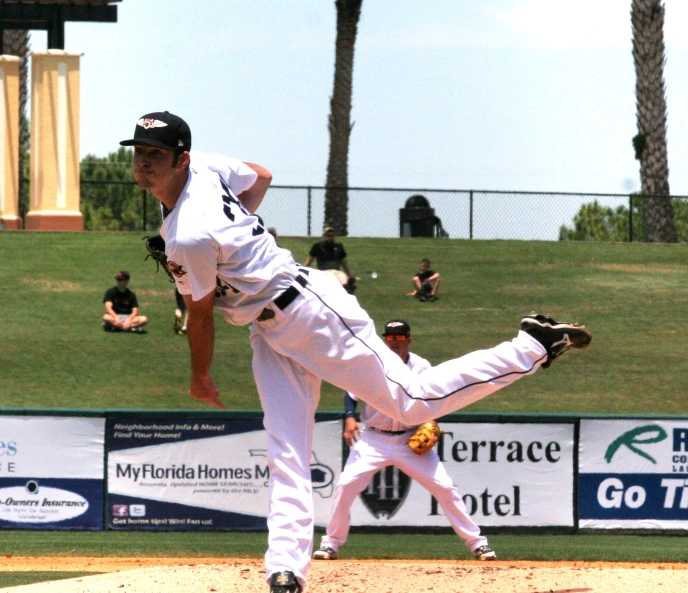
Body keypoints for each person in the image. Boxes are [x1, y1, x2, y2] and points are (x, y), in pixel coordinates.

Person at [121, 110, 592, 593]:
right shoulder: (205, 169)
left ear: (181, 159)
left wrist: (201, 376)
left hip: (308, 311)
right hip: (266, 331)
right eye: (138, 153)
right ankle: (285, 569)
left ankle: (532, 344)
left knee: (413, 402)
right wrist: (243, 228)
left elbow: (198, 315)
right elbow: (260, 176)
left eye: (155, 155)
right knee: (286, 449)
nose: (143, 163)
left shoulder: (188, 235)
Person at [313, 319, 496, 562]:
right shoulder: (372, 362)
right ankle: (331, 544)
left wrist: (431, 421)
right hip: (374, 440)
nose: (394, 342)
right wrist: (349, 418)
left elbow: (435, 396)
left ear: (408, 340)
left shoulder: (420, 366)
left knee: (445, 488)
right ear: (384, 339)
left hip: (410, 439)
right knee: (346, 486)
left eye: (399, 337)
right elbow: (351, 393)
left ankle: (477, 544)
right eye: (390, 337)